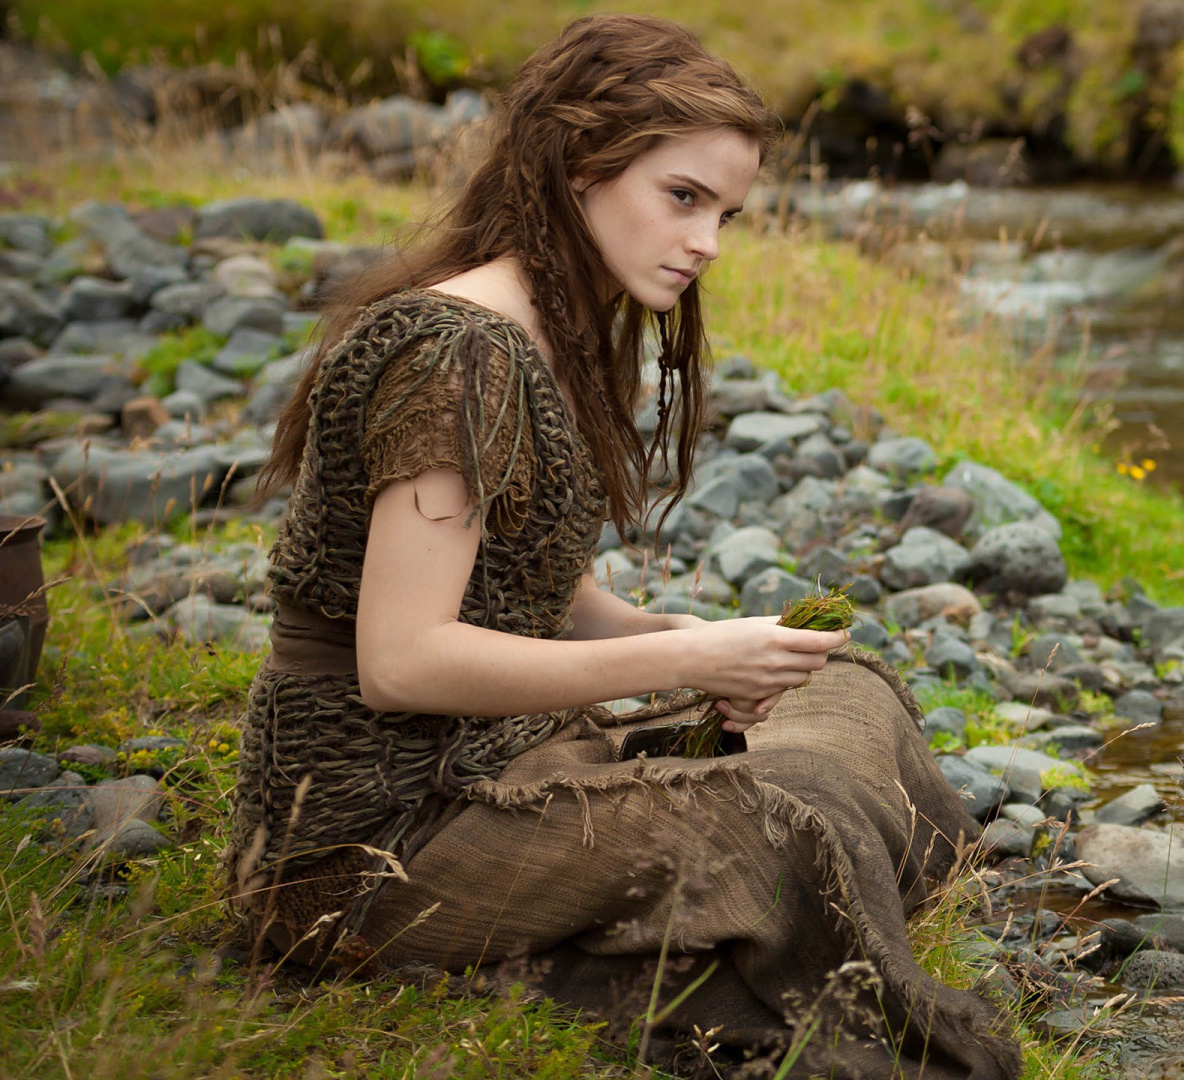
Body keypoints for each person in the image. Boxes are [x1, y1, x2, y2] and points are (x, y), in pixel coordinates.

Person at [226, 15, 1019, 1079]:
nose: (706, 243)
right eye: (682, 198)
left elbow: (538, 589)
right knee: (785, 824)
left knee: (844, 695)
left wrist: (700, 638)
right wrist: (687, 664)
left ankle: (755, 917)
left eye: (726, 213)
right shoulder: (456, 349)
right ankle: (681, 956)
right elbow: (402, 660)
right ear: (573, 166)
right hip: (374, 842)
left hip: (506, 759)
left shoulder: (552, 329)